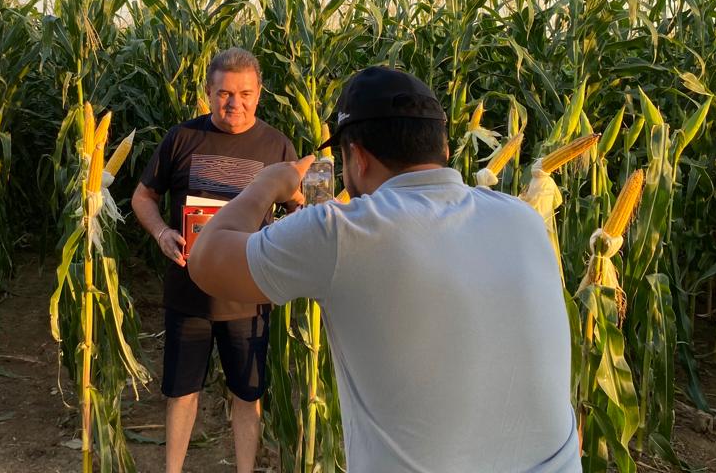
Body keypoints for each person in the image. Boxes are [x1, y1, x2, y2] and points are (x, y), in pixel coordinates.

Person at [188, 66, 581, 472]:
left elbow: (206, 261)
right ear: (442, 148)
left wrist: (270, 182)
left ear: (357, 158)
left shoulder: (343, 232)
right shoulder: (523, 218)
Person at [131, 47, 300, 473]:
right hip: (190, 292)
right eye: (224, 93)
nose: (234, 104)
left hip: (248, 294)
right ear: (208, 92)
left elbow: (298, 211)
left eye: (245, 93)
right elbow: (143, 196)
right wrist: (163, 232)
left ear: (259, 93)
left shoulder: (277, 145)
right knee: (182, 391)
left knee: (248, 394)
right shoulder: (182, 138)